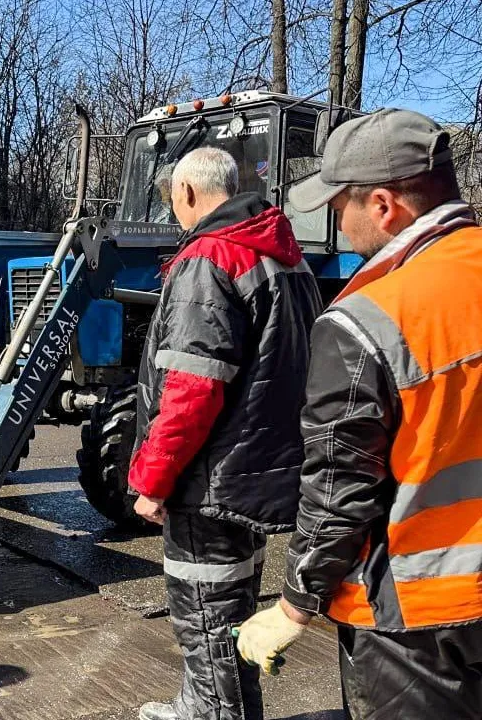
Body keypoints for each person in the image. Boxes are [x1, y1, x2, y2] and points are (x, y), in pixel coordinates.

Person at [237, 108, 482, 718]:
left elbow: (339, 488)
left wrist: (294, 605)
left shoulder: (368, 320)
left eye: (338, 205)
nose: (337, 223)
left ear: (382, 205)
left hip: (419, 621)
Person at [130, 147, 322, 720]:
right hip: (254, 472)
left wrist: (154, 480)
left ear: (187, 192)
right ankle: (204, 703)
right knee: (231, 606)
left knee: (206, 609)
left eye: (172, 198)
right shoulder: (283, 256)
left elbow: (192, 389)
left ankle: (216, 712)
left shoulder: (207, 260)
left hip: (211, 478)